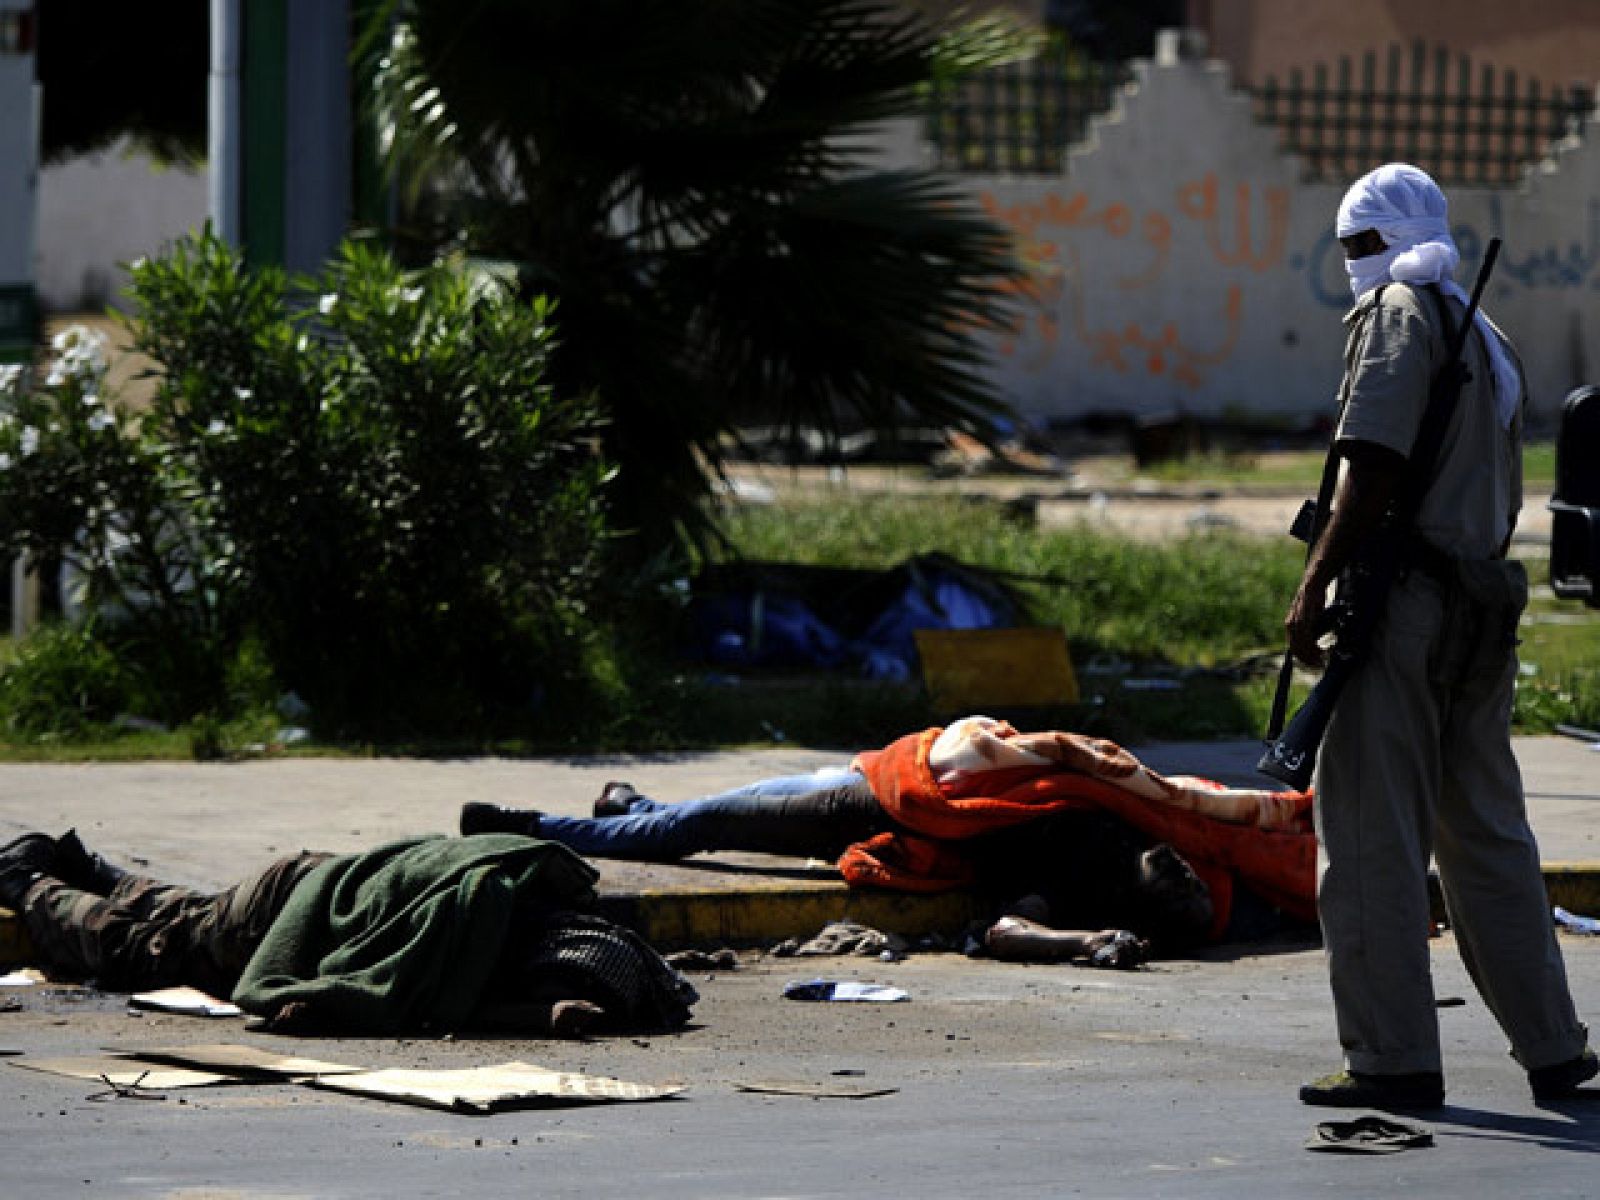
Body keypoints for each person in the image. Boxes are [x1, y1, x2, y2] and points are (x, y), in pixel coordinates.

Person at [1285, 163, 1594, 1109]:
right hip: (1483, 610)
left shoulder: (1397, 315)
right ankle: (1554, 1048)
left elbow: (1370, 464)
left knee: (1374, 839)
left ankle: (1392, 1061)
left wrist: (1315, 583)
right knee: (1488, 838)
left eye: (1352, 248)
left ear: (1375, 243)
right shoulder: (1480, 327)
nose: (1350, 266)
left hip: (1406, 607)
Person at [462, 715, 1317, 954]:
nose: (1178, 862)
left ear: (1137, 890)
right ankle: (627, 809)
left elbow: (1007, 930)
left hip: (886, 810)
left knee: (703, 826)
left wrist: (1090, 941)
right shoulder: (1155, 819)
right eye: (1187, 873)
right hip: (910, 777)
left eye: (1172, 881)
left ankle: (534, 826)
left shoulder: (1075, 881)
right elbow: (1222, 811)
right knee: (710, 817)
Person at [0, 828, 696, 1037]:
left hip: (315, 879)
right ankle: (28, 878)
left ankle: (90, 864)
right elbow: (414, 1000)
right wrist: (541, 1015)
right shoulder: (473, 929)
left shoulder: (524, 881)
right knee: (141, 951)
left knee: (193, 918)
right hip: (288, 917)